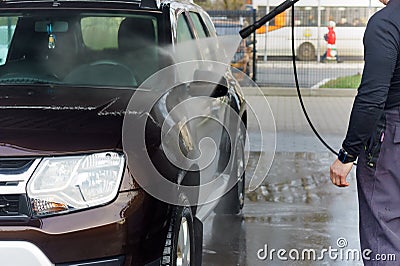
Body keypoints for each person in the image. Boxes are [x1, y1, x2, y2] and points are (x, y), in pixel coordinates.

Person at [329, 0, 399, 264]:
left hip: (392, 139)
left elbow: (372, 97)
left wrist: (347, 155)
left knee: (384, 238)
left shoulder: (386, 22)